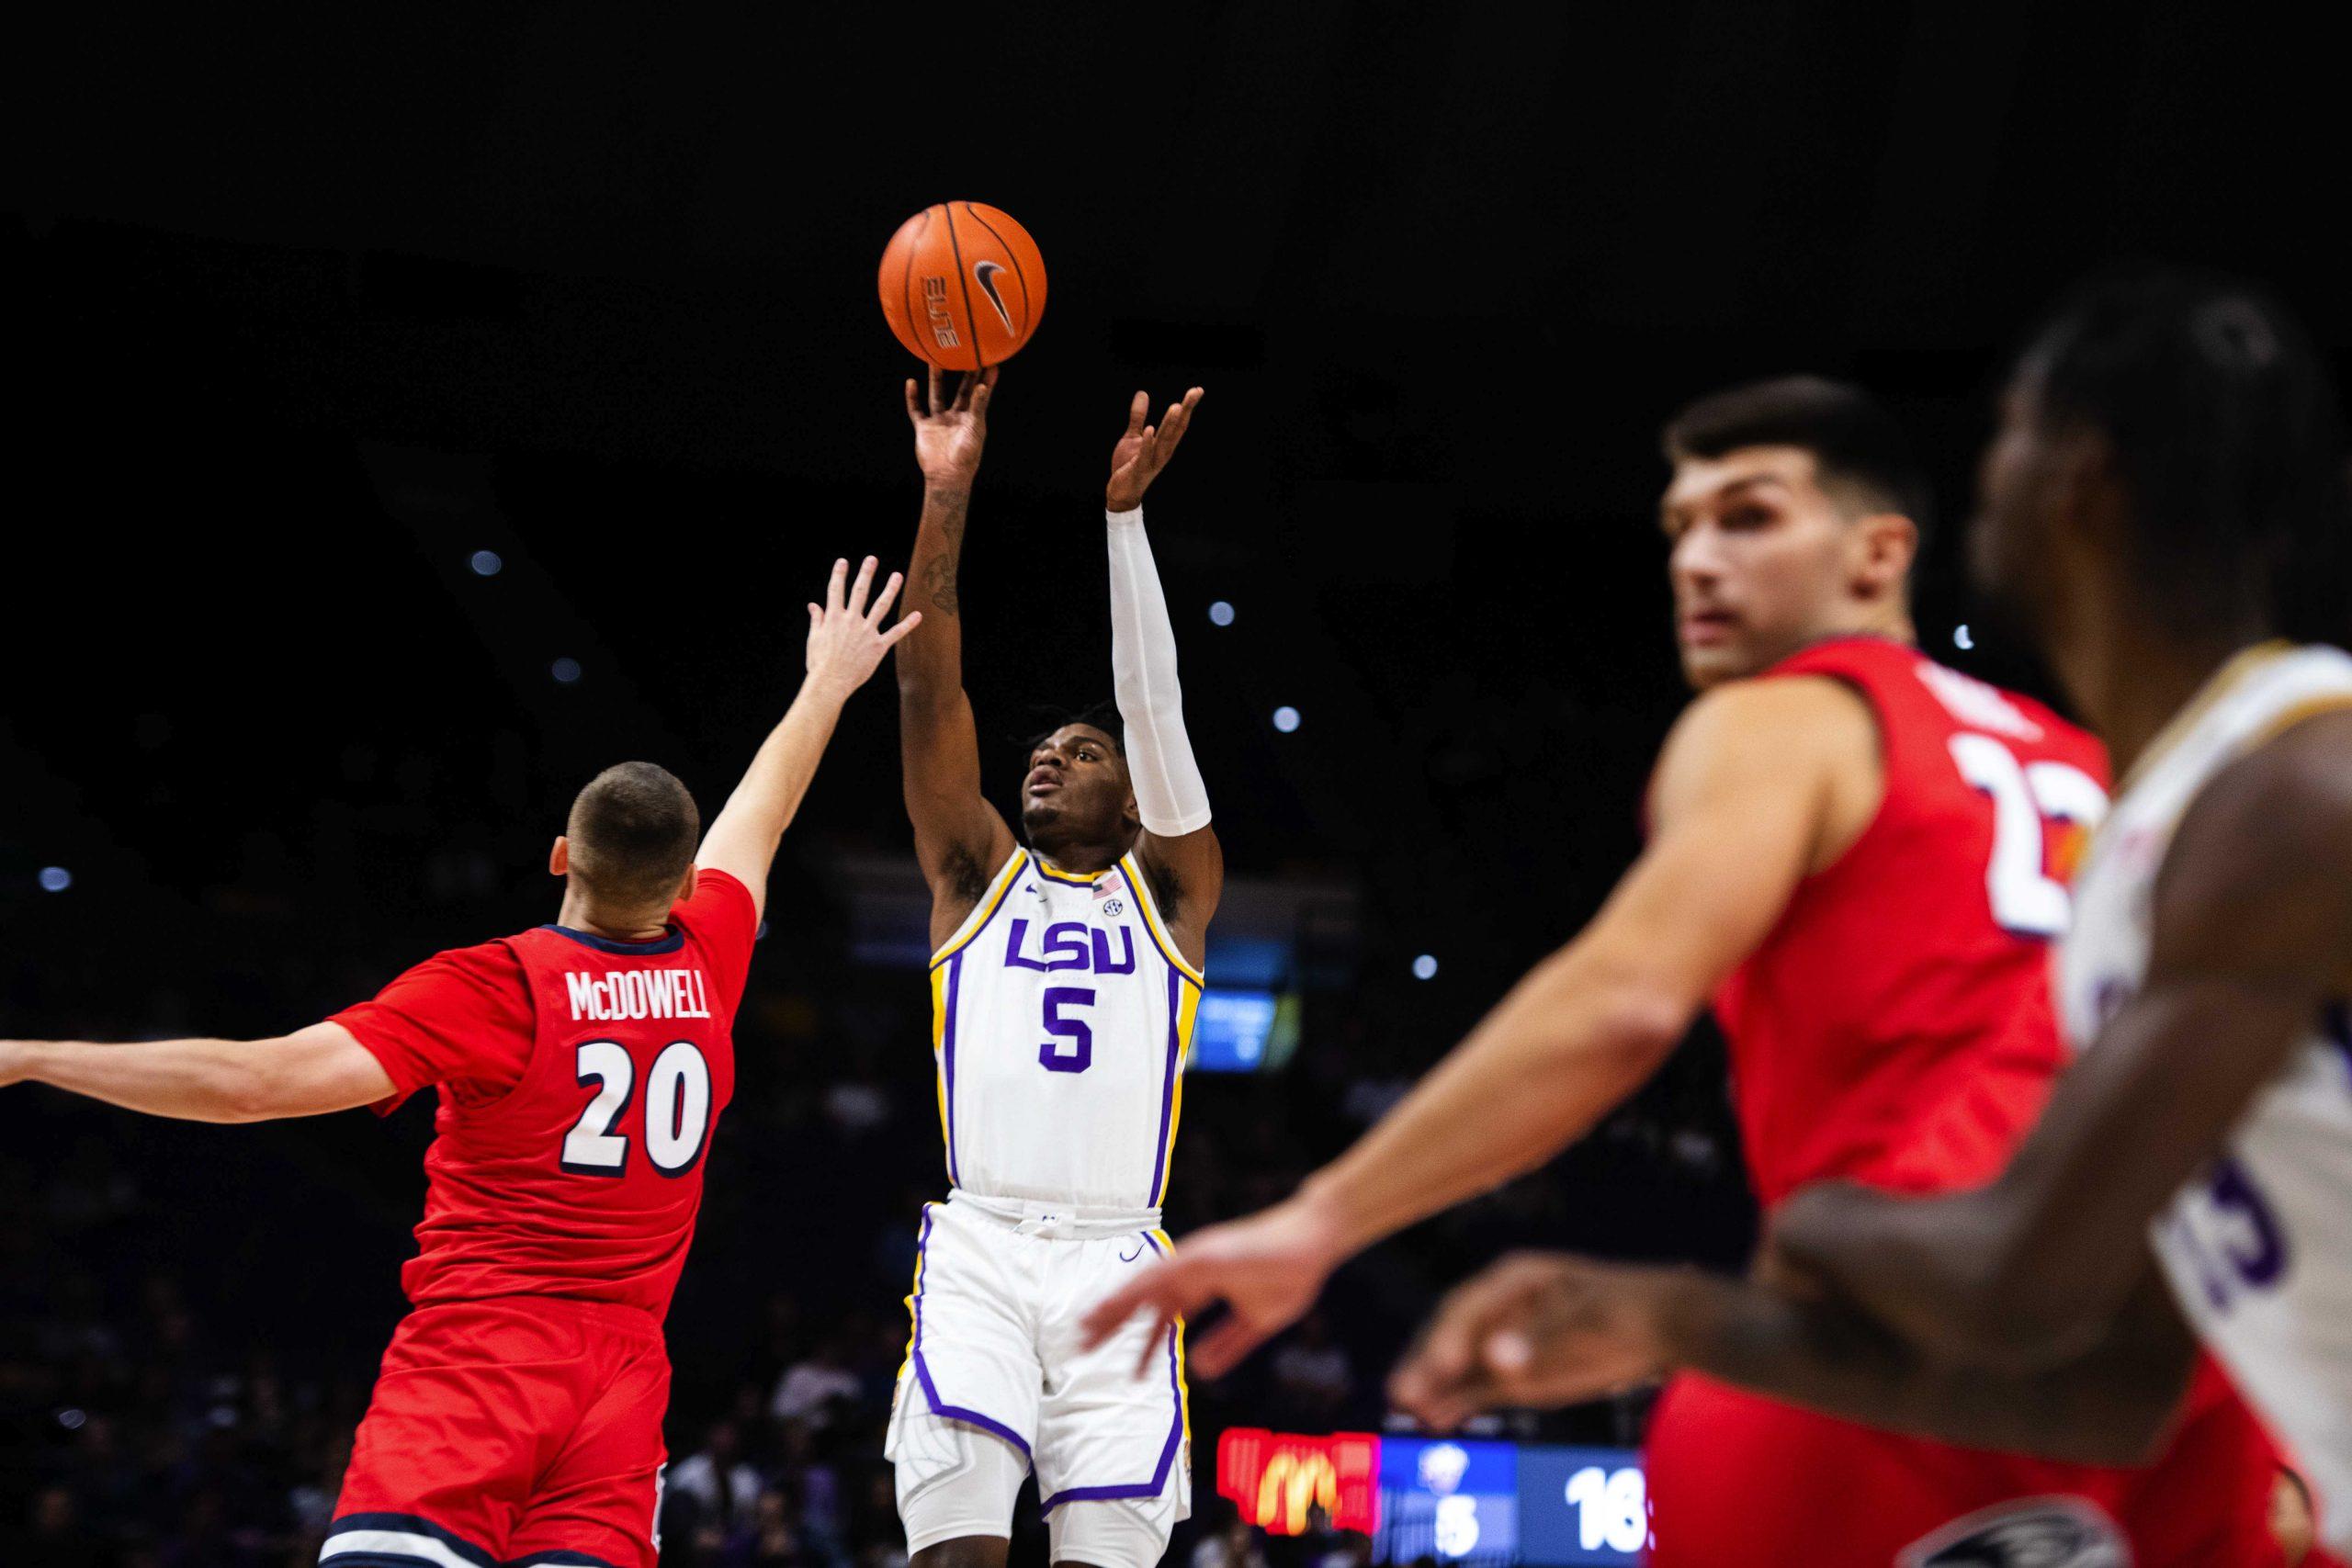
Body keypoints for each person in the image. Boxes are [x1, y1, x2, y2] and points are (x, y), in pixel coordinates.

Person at [1086, 376, 2278, 1563]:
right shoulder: (2097, 764)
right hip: (2170, 1348)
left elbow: (1628, 1000)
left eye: (1748, 516)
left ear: (1879, 553)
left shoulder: (1793, 715)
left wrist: (1318, 1217)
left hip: (1891, 1322)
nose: (1698, 558)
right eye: (1680, 527)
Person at [1383, 271, 2352, 1560]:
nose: (1981, 476)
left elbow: (2018, 1279)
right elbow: (2109, 1393)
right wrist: (1674, 1316)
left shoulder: (2296, 788)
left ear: (2084, 479)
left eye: (2007, 431)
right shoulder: (2145, 823)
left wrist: (1812, 1224)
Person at [2, 558, 916, 1568]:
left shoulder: (496, 985)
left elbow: (255, 1084)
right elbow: (765, 808)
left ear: (561, 855)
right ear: (683, 880)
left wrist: (34, 1055)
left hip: (479, 1362)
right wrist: (828, 681)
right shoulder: (713, 953)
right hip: (620, 1386)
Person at [885, 367, 1224, 1568]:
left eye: (1081, 753)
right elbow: (930, 685)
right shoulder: (975, 874)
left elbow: (1156, 705)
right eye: (1043, 746)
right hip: (980, 1243)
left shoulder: (1171, 891)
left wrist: (1124, 524)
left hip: (1122, 1257)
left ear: (1132, 798)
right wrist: (947, 492)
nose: (1047, 757)